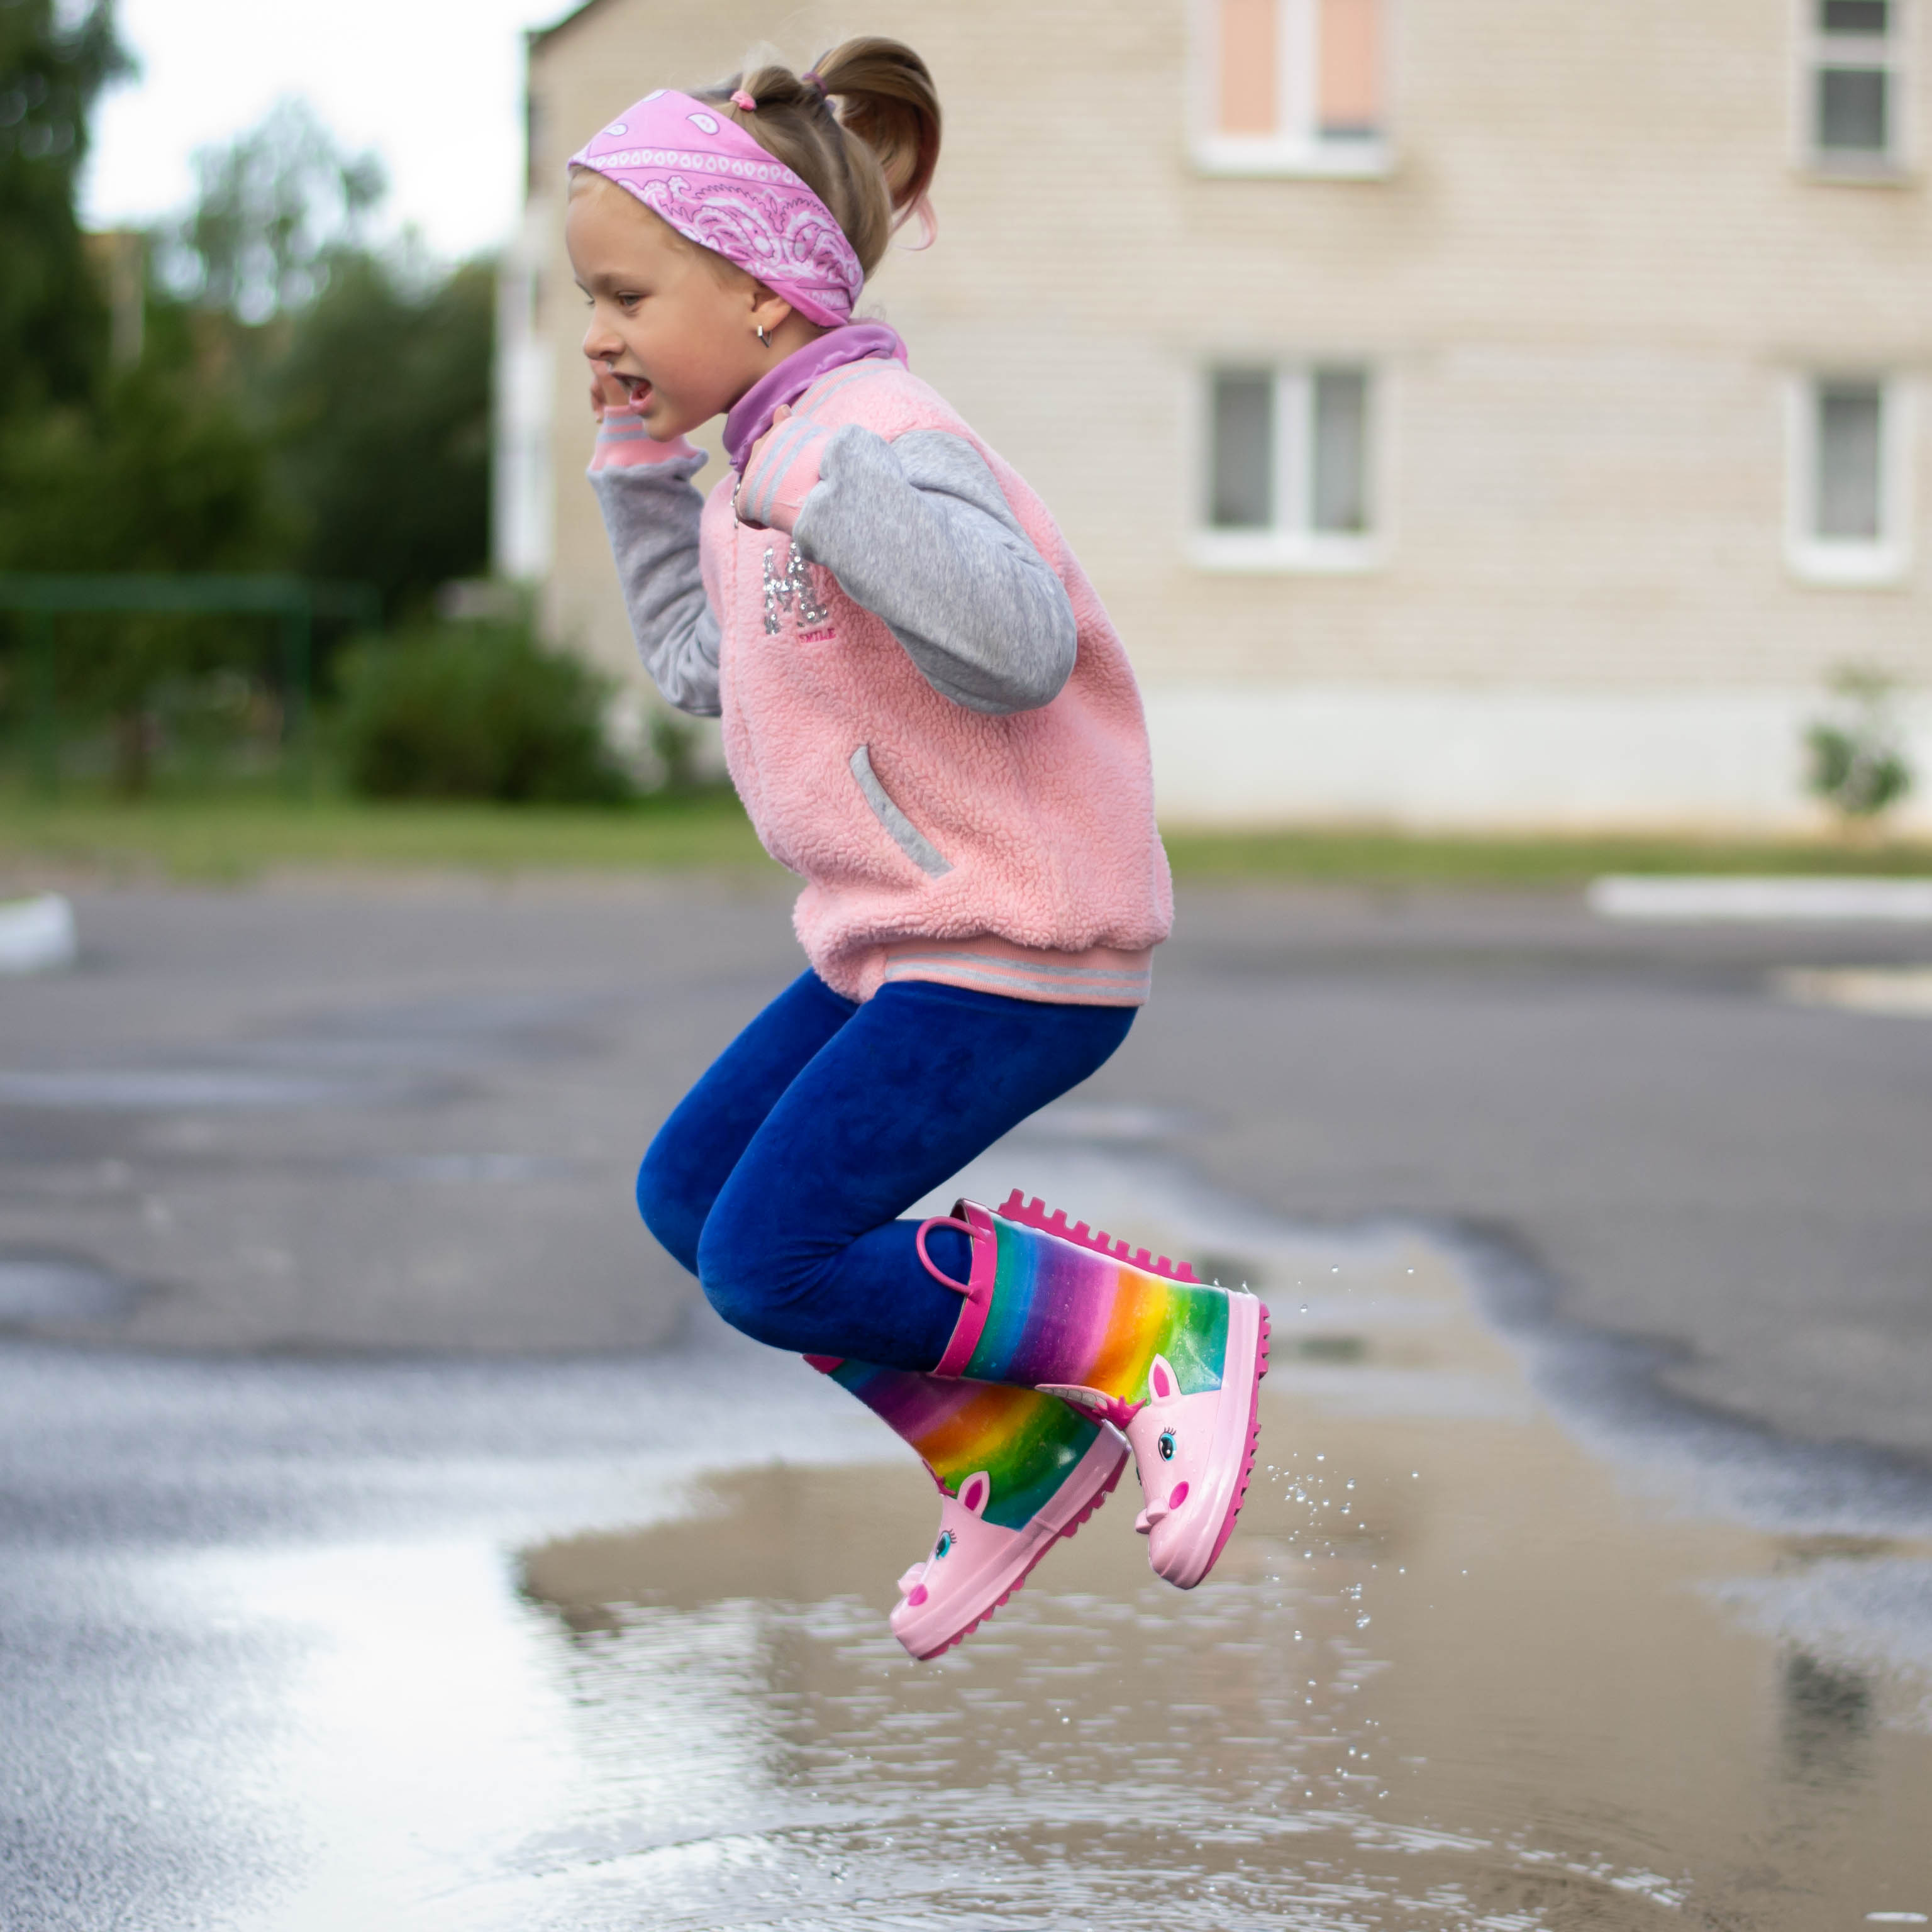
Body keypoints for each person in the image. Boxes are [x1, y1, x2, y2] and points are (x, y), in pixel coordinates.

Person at [566, 37, 1267, 1660]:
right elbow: (698, 668)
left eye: (622, 295)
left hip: (1017, 938)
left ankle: (1155, 1336)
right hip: (904, 936)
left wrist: (820, 488)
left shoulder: (869, 432)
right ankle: (1007, 1444)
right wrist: (644, 480)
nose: (596, 334)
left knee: (769, 1257)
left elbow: (1018, 642)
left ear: (757, 292)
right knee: (694, 1196)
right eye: (586, 303)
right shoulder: (773, 455)